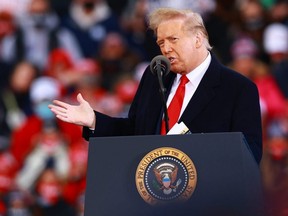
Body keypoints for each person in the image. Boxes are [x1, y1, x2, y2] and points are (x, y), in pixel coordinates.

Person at [49, 8, 263, 164]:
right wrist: (95, 121)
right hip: (152, 194)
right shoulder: (155, 77)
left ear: (198, 39)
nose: (166, 49)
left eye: (173, 39)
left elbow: (250, 153)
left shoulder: (238, 88)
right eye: (161, 43)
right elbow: (135, 132)